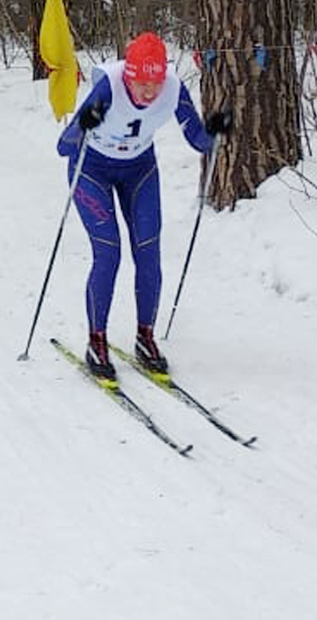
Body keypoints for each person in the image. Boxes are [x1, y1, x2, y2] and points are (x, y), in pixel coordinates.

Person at [55, 32, 232, 381]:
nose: (149, 91)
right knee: (109, 253)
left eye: (155, 82)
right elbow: (64, 146)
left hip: (139, 170)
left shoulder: (172, 88)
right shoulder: (110, 88)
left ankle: (145, 335)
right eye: (141, 82)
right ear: (128, 75)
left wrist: (214, 131)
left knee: (149, 252)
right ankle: (97, 340)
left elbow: (197, 139)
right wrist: (83, 124)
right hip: (91, 170)